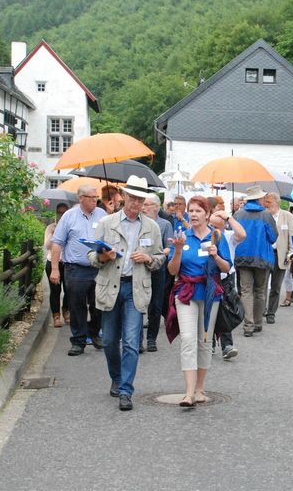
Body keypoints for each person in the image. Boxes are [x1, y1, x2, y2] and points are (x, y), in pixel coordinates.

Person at [88, 176, 165, 411]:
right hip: (111, 285)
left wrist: (149, 258)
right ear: (123, 196)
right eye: (132, 197)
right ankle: (116, 376)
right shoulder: (107, 222)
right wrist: (103, 256)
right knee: (110, 340)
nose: (135, 203)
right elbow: (91, 256)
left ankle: (125, 390)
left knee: (131, 342)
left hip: (135, 288)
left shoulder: (151, 226)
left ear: (144, 201)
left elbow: (161, 257)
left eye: (140, 199)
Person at [166, 196, 232, 407]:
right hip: (185, 292)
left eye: (197, 211)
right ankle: (188, 393)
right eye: (191, 211)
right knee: (187, 339)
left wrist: (215, 256)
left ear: (207, 214)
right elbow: (172, 271)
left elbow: (226, 268)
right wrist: (177, 251)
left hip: (210, 294)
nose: (193, 214)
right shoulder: (182, 237)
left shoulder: (217, 237)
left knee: (204, 340)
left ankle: (200, 388)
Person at [50, 185, 107, 355]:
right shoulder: (69, 216)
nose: (95, 200)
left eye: (96, 197)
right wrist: (54, 269)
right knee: (76, 306)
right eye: (91, 197)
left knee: (99, 305)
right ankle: (78, 341)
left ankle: (94, 332)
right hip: (76, 269)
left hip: (99, 268)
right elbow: (57, 243)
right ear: (80, 198)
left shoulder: (102, 215)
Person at [232, 186, 277, 337]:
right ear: (258, 199)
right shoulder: (266, 215)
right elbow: (273, 237)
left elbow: (233, 235)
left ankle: (248, 324)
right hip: (262, 258)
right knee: (259, 291)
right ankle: (257, 322)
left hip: (242, 257)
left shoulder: (238, 214)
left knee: (245, 291)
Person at [209, 208, 246, 359]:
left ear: (224, 226)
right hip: (210, 277)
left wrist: (229, 217)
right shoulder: (206, 236)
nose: (214, 230)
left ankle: (227, 345)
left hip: (226, 278)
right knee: (209, 311)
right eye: (211, 225)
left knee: (225, 311)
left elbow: (243, 234)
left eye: (217, 227)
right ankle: (209, 343)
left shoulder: (229, 236)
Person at [142, 193, 173, 352]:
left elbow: (169, 247)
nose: (143, 207)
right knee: (139, 304)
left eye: (147, 204)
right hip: (140, 268)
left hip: (158, 268)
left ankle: (151, 339)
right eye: (143, 204)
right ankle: (138, 340)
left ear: (156, 206)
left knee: (155, 305)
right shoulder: (138, 223)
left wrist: (155, 257)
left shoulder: (164, 224)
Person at [263, 192, 293, 324]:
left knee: (276, 286)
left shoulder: (287, 216)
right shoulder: (264, 216)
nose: (266, 205)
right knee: (262, 285)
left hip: (280, 255)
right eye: (265, 202)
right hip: (266, 255)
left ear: (277, 202)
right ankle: (261, 310)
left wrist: (290, 254)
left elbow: (292, 237)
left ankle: (271, 313)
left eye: (269, 202)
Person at [44, 203, 70, 328]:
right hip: (52, 262)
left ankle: (66, 310)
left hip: (67, 262)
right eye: (59, 212)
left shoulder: (71, 227)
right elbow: (47, 246)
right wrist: (54, 235)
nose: (61, 215)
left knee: (69, 290)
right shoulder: (51, 227)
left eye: (64, 213)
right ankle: (56, 316)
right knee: (55, 291)